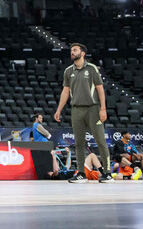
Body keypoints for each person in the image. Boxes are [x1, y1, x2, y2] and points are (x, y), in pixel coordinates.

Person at [54, 43, 111, 183]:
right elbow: (65, 91)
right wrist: (59, 109)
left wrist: (103, 109)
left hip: (93, 108)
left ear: (83, 53)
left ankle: (107, 172)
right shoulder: (68, 71)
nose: (72, 52)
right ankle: (81, 173)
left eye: (75, 50)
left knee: (100, 141)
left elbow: (100, 89)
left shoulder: (91, 69)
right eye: (71, 50)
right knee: (79, 143)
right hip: (76, 109)